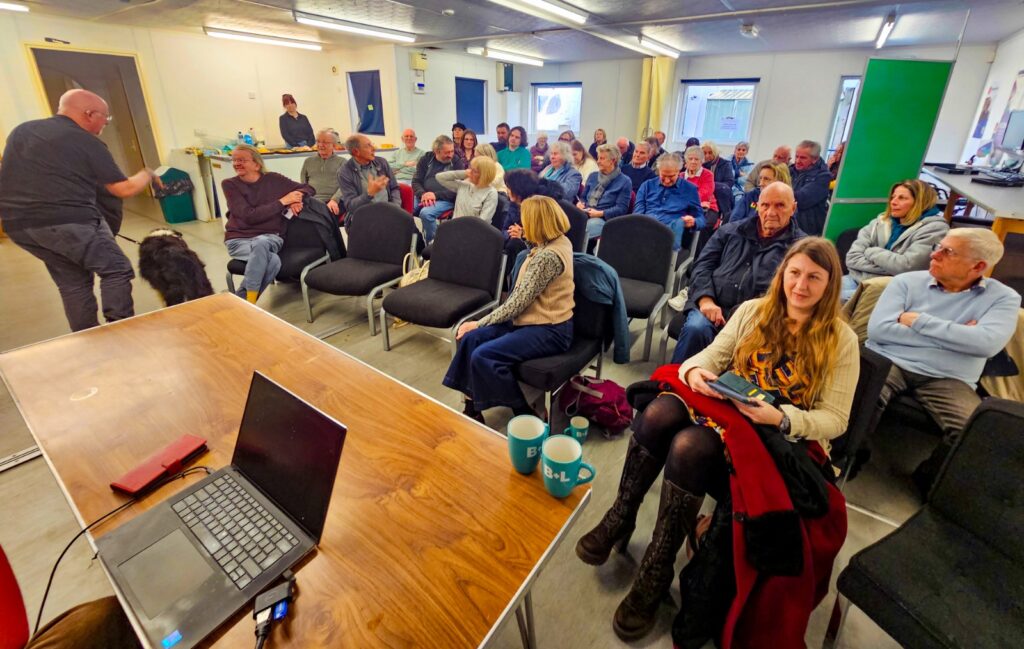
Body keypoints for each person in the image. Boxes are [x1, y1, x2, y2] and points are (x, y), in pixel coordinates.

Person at [578, 236, 857, 643]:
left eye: (814, 277)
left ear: (830, 284)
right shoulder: (753, 311)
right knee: (658, 412)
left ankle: (656, 568)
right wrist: (695, 375)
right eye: (794, 273)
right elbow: (707, 359)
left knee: (689, 446)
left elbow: (835, 419)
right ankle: (622, 513)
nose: (800, 285)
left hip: (779, 437)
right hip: (728, 410)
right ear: (782, 275)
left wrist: (781, 417)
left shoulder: (840, 339)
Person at [867, 228, 1020, 495]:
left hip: (949, 377)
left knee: (973, 429)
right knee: (863, 396)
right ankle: (847, 457)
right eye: (939, 246)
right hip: (890, 360)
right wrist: (959, 333)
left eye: (947, 251)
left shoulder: (1004, 299)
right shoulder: (905, 282)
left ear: (979, 266)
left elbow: (986, 344)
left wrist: (918, 321)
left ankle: (930, 483)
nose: (934, 254)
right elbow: (879, 330)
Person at [0, 89, 158, 331]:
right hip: (68, 221)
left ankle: (88, 339)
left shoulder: (24, 130)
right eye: (105, 117)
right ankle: (121, 333)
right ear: (88, 113)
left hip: (20, 226)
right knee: (116, 269)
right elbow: (123, 189)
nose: (106, 122)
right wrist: (147, 174)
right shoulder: (87, 142)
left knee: (73, 282)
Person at [443, 195, 575, 422]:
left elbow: (517, 303)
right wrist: (525, 239)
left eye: (526, 221)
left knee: (484, 355)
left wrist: (479, 321)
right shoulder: (558, 241)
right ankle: (472, 405)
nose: (522, 224)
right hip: (531, 319)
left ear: (537, 223)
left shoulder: (548, 257)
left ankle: (525, 414)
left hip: (550, 329)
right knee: (471, 339)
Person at [670, 182, 806, 363]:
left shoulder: (801, 248)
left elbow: (794, 294)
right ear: (757, 206)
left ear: (793, 208)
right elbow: (702, 266)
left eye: (780, 205)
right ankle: (675, 385)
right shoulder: (729, 231)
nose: (771, 212)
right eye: (765, 205)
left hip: (758, 319)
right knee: (696, 328)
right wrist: (705, 300)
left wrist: (749, 315)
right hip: (712, 305)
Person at [223, 144, 314, 303]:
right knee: (273, 261)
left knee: (261, 242)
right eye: (234, 160)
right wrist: (283, 201)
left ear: (257, 164)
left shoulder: (274, 179)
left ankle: (242, 302)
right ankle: (247, 302)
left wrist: (296, 198)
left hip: (270, 238)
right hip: (239, 241)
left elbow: (308, 187)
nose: (237, 163)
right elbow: (248, 216)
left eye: (242, 160)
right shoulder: (230, 184)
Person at [843, 179, 946, 301]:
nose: (893, 202)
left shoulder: (935, 229)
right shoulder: (880, 222)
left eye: (902, 198)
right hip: (855, 278)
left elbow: (905, 267)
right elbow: (852, 258)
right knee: (817, 289)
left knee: (824, 301)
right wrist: (890, 267)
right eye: (893, 197)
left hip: (888, 289)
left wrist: (871, 252)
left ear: (920, 202)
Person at [634, 153, 704, 250]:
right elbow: (637, 214)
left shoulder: (689, 189)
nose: (667, 180)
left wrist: (694, 222)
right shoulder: (647, 186)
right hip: (645, 230)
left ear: (679, 172)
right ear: (659, 171)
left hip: (669, 234)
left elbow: (701, 219)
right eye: (663, 176)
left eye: (671, 176)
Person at [500, 168, 565, 261]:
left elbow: (546, 238)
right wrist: (511, 233)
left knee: (514, 244)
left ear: (518, 189)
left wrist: (523, 235)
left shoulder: (540, 207)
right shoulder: (514, 204)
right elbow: (504, 230)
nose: (507, 190)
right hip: (517, 243)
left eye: (509, 187)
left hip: (540, 251)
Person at [412, 134, 465, 243]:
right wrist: (423, 194)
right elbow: (416, 181)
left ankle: (434, 245)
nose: (450, 155)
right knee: (405, 213)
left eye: (452, 151)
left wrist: (435, 195)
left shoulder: (456, 162)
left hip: (446, 198)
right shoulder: (426, 159)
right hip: (424, 196)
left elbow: (459, 189)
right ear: (436, 151)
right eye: (447, 152)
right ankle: (418, 244)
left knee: (426, 214)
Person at [578, 143, 633, 242]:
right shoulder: (593, 176)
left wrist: (601, 213)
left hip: (604, 219)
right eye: (598, 158)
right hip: (585, 213)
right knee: (566, 222)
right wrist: (580, 203)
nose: (598, 161)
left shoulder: (624, 181)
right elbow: (583, 197)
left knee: (582, 230)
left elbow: (621, 209)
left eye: (602, 158)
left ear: (613, 160)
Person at [337, 133, 401, 217]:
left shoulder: (382, 162)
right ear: (356, 152)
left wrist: (395, 207)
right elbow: (350, 206)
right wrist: (369, 194)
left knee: (410, 226)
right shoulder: (345, 172)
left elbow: (394, 188)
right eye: (368, 146)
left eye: (372, 144)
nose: (374, 148)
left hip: (388, 210)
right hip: (364, 216)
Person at [435, 157, 499, 222]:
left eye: (474, 171)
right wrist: (463, 173)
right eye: (470, 168)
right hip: (455, 226)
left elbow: (483, 221)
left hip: (474, 229)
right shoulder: (464, 185)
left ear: (484, 175)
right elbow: (440, 177)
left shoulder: (491, 193)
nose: (470, 172)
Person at [790, 140, 833, 235]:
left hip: (806, 230)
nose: (797, 161)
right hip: (789, 224)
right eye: (796, 156)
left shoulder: (823, 177)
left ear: (815, 159)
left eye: (803, 158)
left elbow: (801, 200)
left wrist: (779, 193)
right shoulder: (790, 170)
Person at [299, 128, 344, 217]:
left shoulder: (342, 162)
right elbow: (303, 185)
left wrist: (334, 200)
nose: (320, 145)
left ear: (334, 145)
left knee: (322, 217)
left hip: (333, 201)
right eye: (318, 141)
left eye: (325, 142)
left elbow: (345, 186)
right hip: (312, 201)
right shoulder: (308, 161)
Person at [701, 140, 735, 217]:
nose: (707, 156)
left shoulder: (725, 164)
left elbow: (730, 182)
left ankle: (725, 216)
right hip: (705, 193)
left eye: (710, 153)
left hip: (721, 193)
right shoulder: (700, 164)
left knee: (722, 189)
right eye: (704, 153)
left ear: (715, 152)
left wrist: (712, 185)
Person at [683, 145, 718, 220]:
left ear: (702, 161)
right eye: (690, 159)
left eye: (696, 159)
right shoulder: (680, 176)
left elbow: (705, 194)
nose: (693, 162)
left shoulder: (708, 174)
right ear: (686, 161)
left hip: (708, 208)